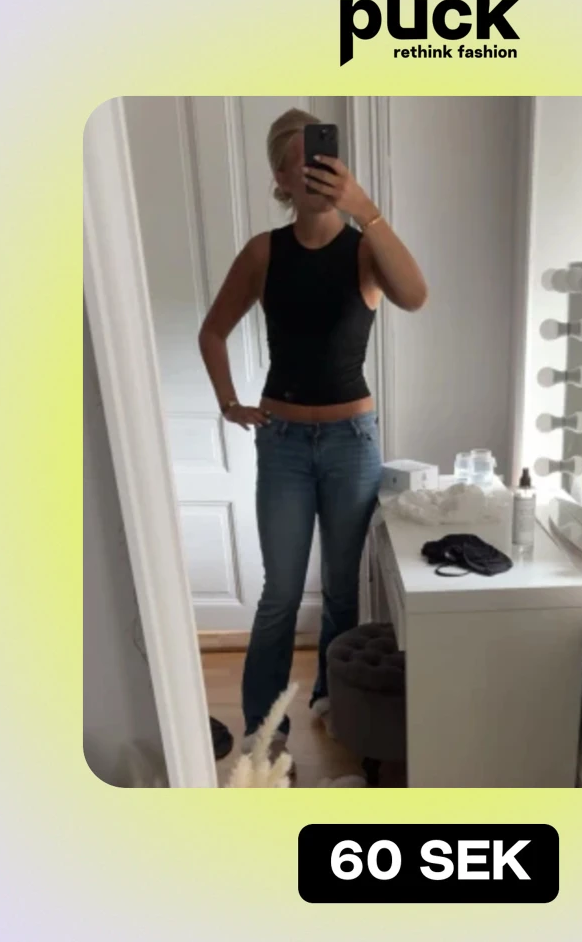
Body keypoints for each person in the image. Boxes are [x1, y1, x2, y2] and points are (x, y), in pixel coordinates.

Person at [198, 108, 427, 757]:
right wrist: (229, 403)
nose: (318, 170)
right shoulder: (263, 253)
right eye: (303, 162)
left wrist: (367, 210)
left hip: (353, 442)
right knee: (279, 594)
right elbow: (213, 331)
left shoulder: (365, 248)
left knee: (343, 590)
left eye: (326, 158)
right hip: (285, 446)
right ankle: (263, 727)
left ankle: (331, 698)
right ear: (281, 177)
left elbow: (415, 295)